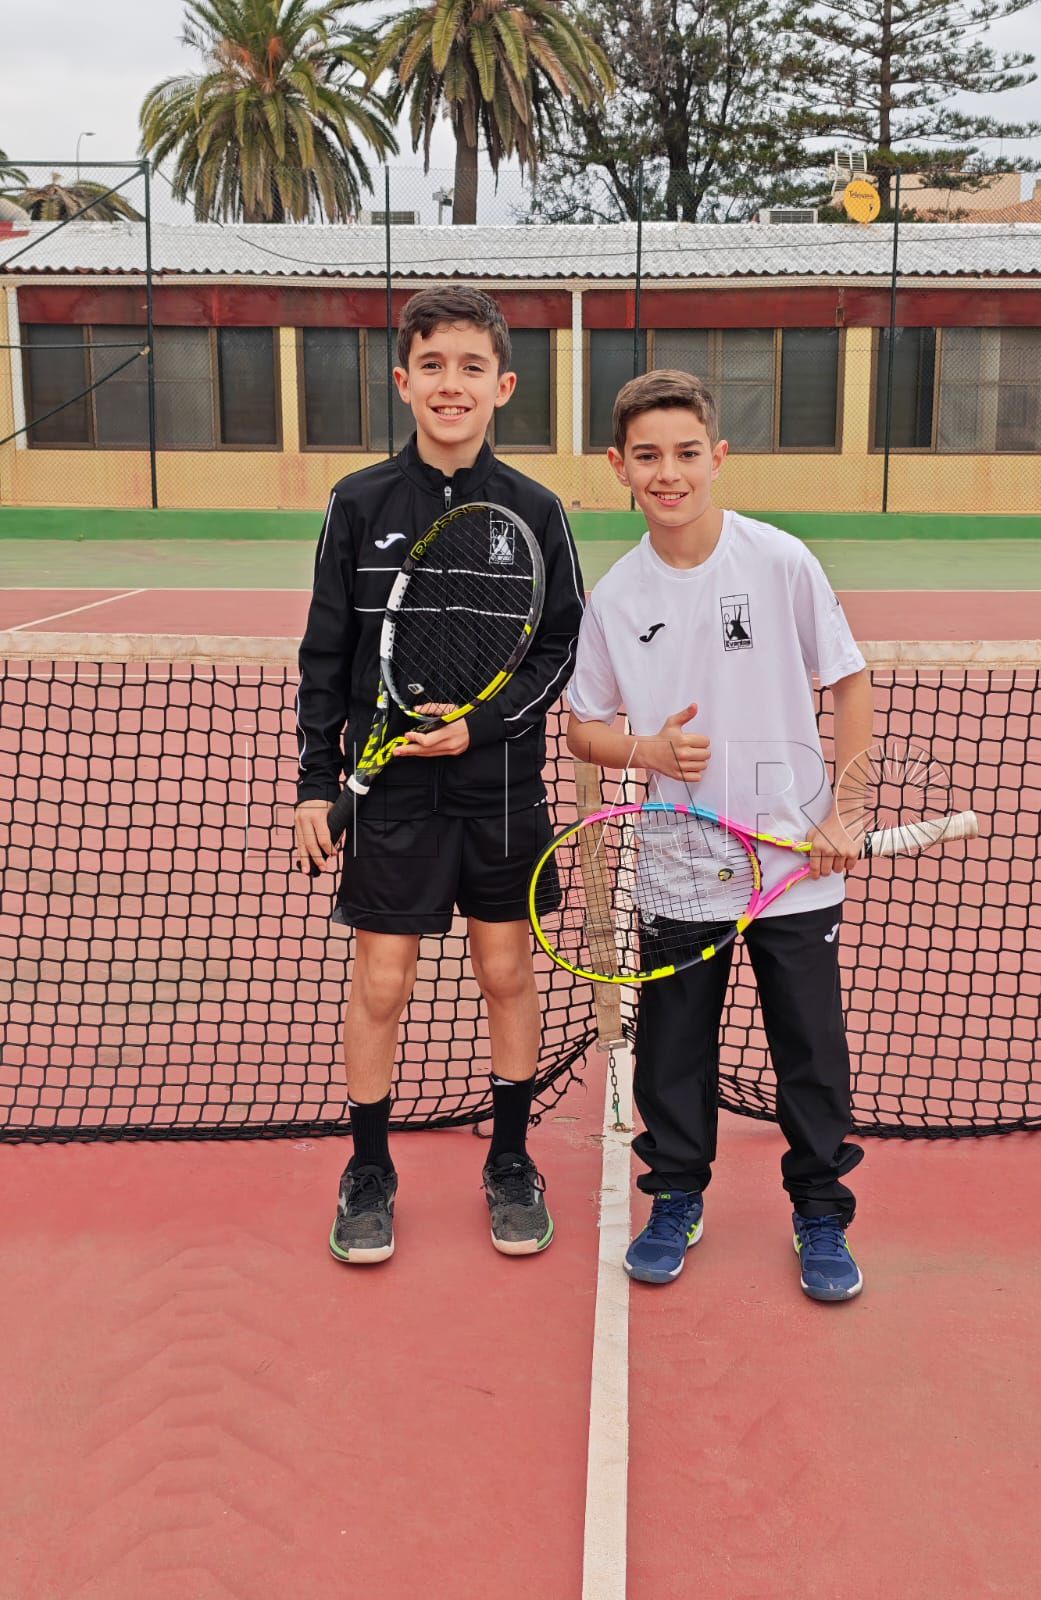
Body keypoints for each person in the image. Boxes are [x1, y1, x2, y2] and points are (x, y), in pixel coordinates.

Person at [564, 370, 874, 1301]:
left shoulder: (780, 561)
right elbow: (582, 728)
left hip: (794, 867)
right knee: (673, 1052)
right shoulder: (617, 597)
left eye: (687, 453)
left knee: (810, 1051)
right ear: (619, 466)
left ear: (718, 457)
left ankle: (820, 1212)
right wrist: (646, 749)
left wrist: (845, 810)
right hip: (680, 866)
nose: (669, 473)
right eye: (648, 457)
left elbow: (849, 680)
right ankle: (676, 1198)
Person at [294, 286, 584, 1266]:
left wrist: (482, 727)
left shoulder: (537, 511)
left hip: (500, 790)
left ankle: (510, 1158)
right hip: (391, 796)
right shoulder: (359, 503)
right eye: (432, 366)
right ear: (403, 380)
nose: (450, 384)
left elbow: (559, 647)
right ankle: (369, 1169)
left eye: (471, 366)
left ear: (503, 386)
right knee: (382, 981)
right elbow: (326, 653)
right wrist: (314, 780)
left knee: (506, 971)